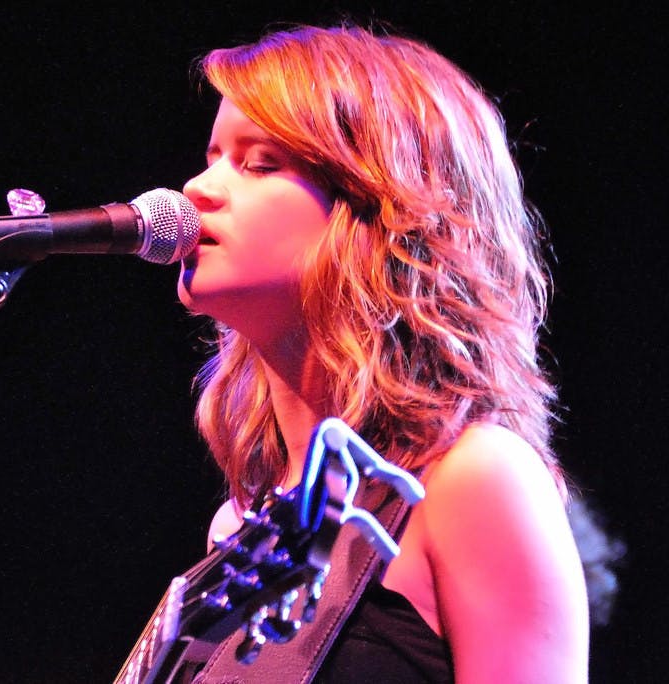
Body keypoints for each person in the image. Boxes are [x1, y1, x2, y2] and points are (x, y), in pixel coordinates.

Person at [176, 24, 590, 682]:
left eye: (258, 164)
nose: (197, 188)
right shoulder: (241, 531)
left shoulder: (472, 480)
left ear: (380, 212)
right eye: (213, 154)